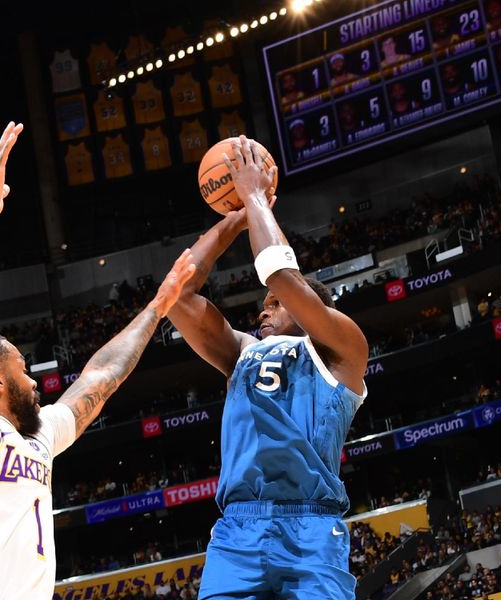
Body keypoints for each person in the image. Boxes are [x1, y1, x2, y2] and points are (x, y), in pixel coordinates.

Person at [0, 122, 195, 600]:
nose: (37, 381)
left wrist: (158, 308)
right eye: (23, 368)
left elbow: (101, 377)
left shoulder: (38, 438)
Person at [168, 135, 368, 599]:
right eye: (264, 305)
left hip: (311, 528)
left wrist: (256, 196)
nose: (264, 310)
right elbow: (177, 296)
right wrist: (234, 221)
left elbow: (281, 275)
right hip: (237, 531)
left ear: (315, 309)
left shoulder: (343, 348)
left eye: (276, 305)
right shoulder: (242, 352)